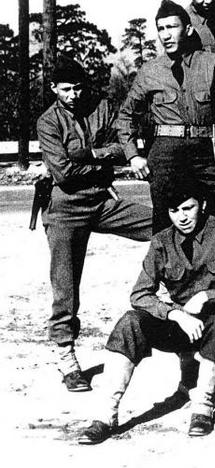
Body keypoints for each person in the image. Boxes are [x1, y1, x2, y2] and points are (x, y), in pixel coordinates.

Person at [76, 179, 215, 443]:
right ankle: (106, 415)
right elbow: (140, 293)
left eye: (188, 208)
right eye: (175, 211)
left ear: (202, 205)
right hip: (181, 324)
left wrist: (207, 296)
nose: (182, 217)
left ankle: (203, 407)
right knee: (130, 322)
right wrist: (175, 314)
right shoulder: (162, 241)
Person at [37, 57, 152, 392]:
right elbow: (64, 173)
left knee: (160, 224)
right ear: (55, 89)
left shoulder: (102, 107)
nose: (73, 94)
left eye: (78, 87)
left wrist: (91, 155)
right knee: (65, 285)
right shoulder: (48, 121)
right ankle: (65, 357)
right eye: (66, 89)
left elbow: (123, 144)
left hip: (102, 202)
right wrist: (102, 161)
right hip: (64, 208)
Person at [117, 0, 215, 233]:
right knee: (165, 224)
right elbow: (126, 116)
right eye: (161, 29)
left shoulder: (211, 64)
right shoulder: (150, 70)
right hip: (166, 154)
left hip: (205, 152)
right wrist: (133, 156)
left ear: (188, 29)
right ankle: (165, 268)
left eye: (172, 27)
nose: (166, 35)